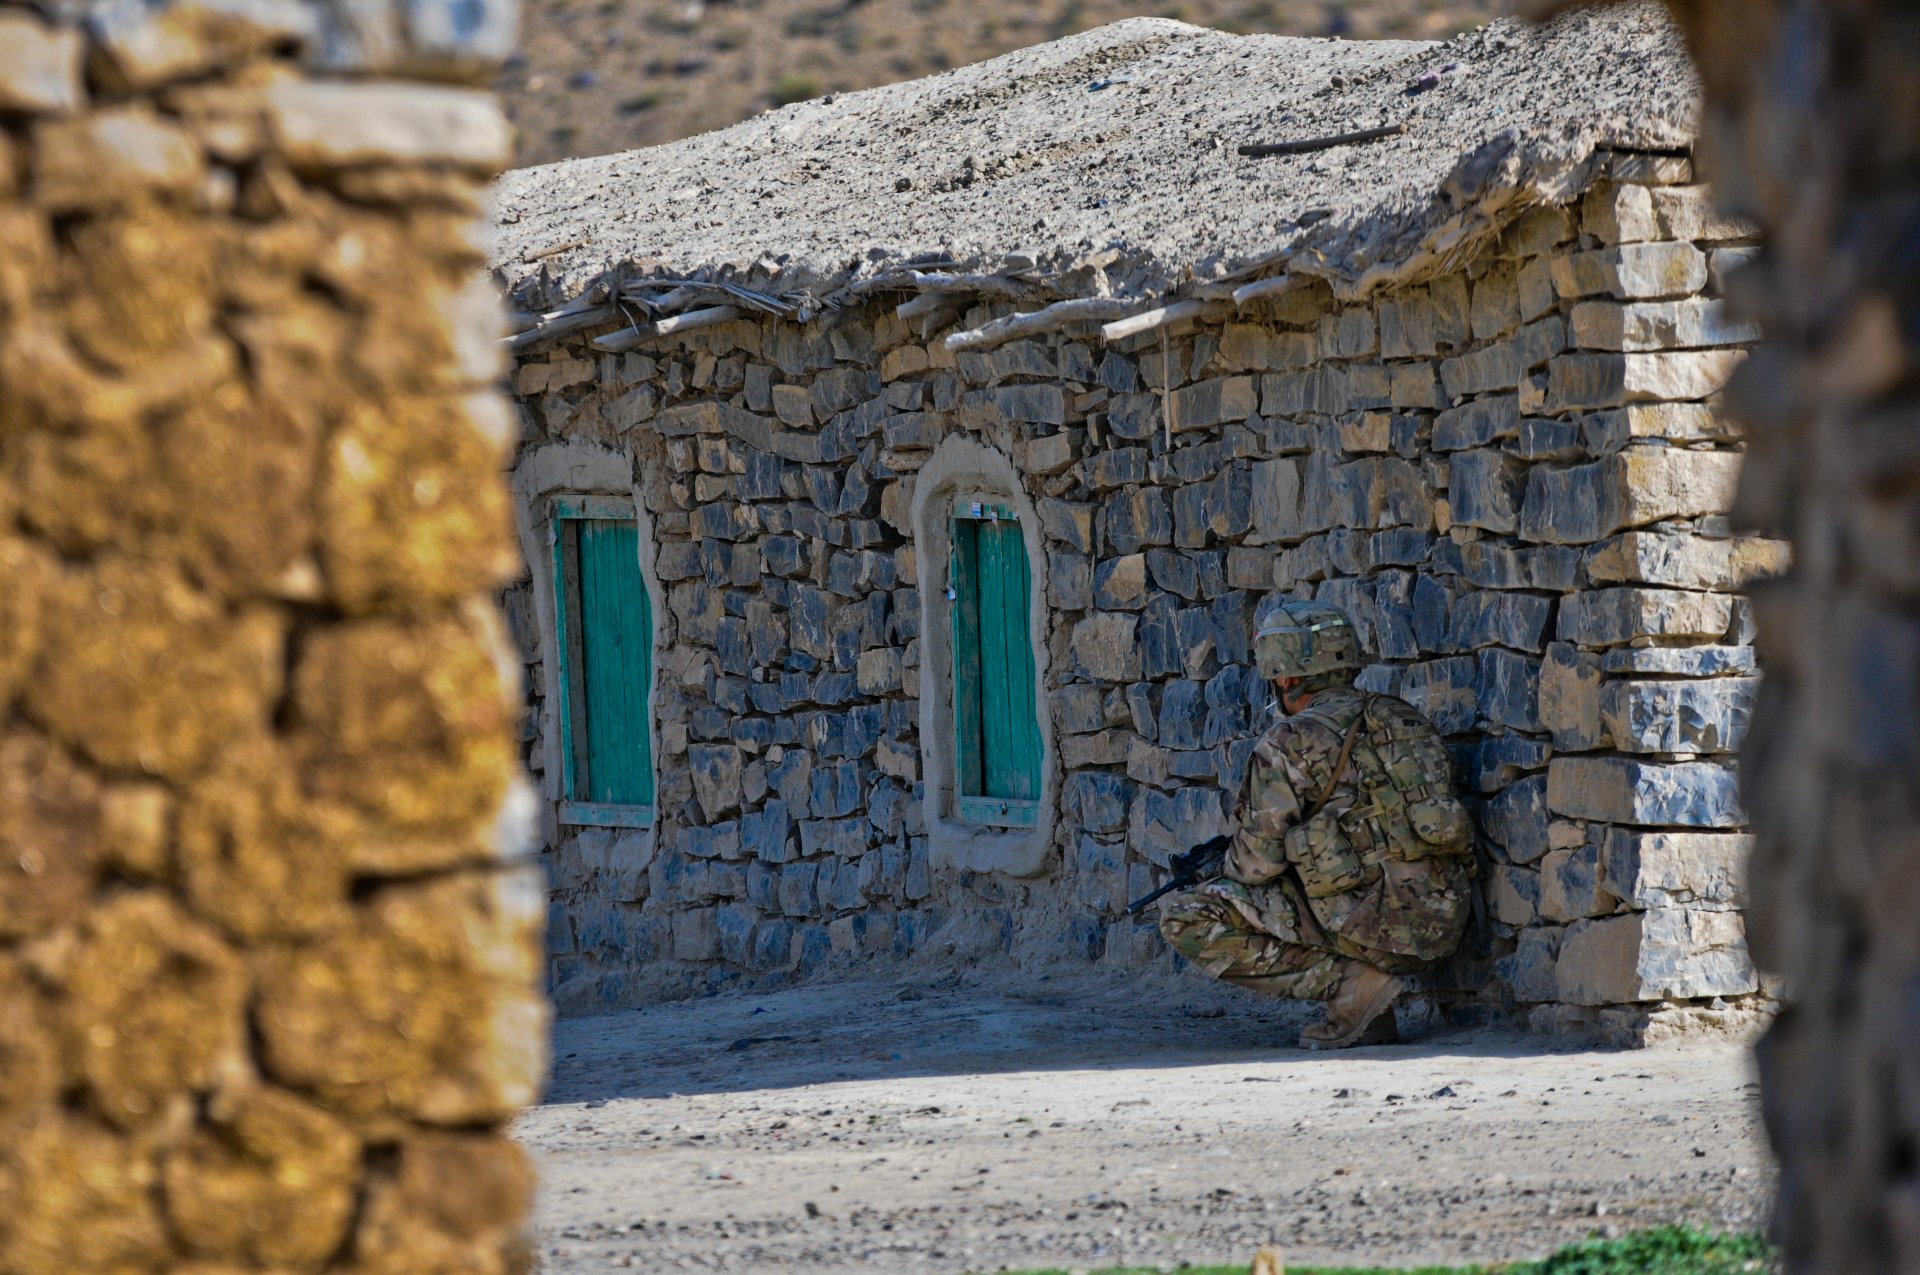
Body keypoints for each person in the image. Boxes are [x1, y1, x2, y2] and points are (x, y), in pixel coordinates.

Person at [1156, 597, 1475, 1049]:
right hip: (1442, 922)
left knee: (1187, 915)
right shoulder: (1403, 719)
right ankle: (1368, 1011)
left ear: (1284, 676)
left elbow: (1255, 866)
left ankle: (1350, 985)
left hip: (1375, 931)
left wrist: (1218, 869)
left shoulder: (1288, 741)